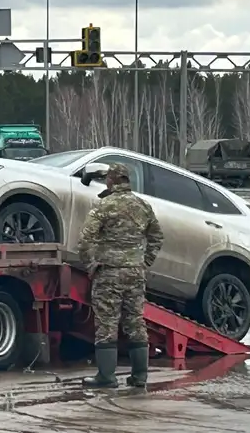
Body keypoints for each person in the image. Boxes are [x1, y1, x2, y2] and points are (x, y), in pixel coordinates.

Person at [77, 163, 164, 388]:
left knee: (107, 323)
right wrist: (144, 262)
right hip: (135, 273)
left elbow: (86, 239)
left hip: (109, 272)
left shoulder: (104, 206)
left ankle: (106, 377)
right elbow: (156, 237)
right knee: (135, 321)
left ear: (111, 181)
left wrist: (91, 264)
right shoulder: (143, 206)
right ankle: (139, 376)